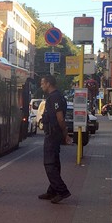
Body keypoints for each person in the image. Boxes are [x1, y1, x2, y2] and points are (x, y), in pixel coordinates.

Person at [38, 74, 72, 203]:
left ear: (48, 84)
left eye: (42, 83)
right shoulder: (57, 96)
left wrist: (65, 134)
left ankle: (62, 191)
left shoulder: (55, 97)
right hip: (54, 134)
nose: (41, 86)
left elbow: (60, 118)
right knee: (55, 163)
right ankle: (52, 191)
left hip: (53, 134)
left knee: (49, 164)